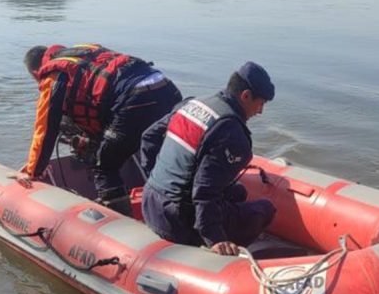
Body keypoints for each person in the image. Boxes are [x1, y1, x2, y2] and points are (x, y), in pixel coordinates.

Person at [19, 43, 182, 215]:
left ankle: (122, 224)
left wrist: (33, 170)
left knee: (104, 166)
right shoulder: (86, 51)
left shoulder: (53, 76)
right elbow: (102, 94)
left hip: (135, 99)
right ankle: (177, 208)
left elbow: (45, 128)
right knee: (158, 153)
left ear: (36, 73)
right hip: (167, 90)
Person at [140, 62, 277, 256]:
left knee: (238, 192)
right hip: (177, 221)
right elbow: (205, 191)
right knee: (265, 209)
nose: (260, 111)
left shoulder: (193, 103)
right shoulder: (231, 134)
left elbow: (149, 138)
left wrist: (156, 181)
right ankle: (216, 254)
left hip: (151, 202)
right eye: (260, 103)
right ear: (245, 96)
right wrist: (215, 238)